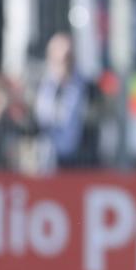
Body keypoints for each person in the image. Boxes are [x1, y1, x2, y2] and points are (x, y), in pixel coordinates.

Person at [34, 33, 100, 169]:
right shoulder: (38, 85)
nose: (64, 62)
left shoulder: (87, 88)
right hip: (45, 160)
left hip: (79, 162)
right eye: (59, 58)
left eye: (68, 57)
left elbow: (97, 119)